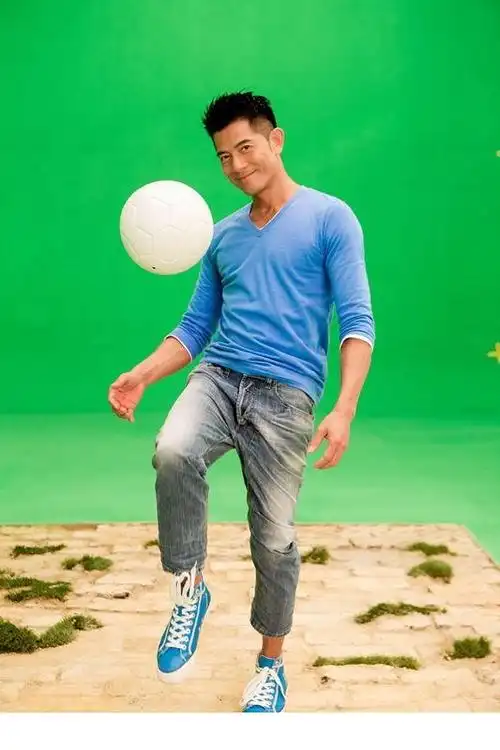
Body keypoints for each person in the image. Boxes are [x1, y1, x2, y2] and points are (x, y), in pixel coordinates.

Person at [108, 91, 375, 713]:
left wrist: (344, 407)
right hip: (220, 378)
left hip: (287, 396)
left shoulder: (331, 218)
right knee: (173, 449)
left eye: (245, 148)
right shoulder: (222, 236)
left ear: (276, 140)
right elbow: (194, 328)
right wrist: (143, 374)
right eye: (223, 156)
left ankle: (270, 665)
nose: (236, 165)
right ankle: (189, 587)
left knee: (273, 539)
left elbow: (357, 321)